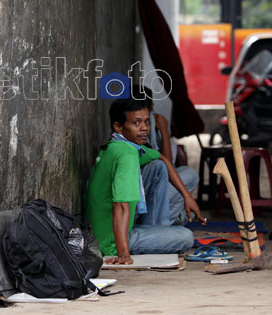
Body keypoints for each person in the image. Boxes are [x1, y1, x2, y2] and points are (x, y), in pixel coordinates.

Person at [84, 98, 204, 265]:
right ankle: (157, 232)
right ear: (118, 127)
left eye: (147, 122)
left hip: (111, 230)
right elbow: (120, 205)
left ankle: (159, 228)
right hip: (111, 241)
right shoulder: (127, 155)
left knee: (158, 166)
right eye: (136, 123)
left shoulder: (120, 145)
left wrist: (187, 197)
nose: (145, 128)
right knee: (185, 237)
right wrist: (123, 254)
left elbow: (162, 157)